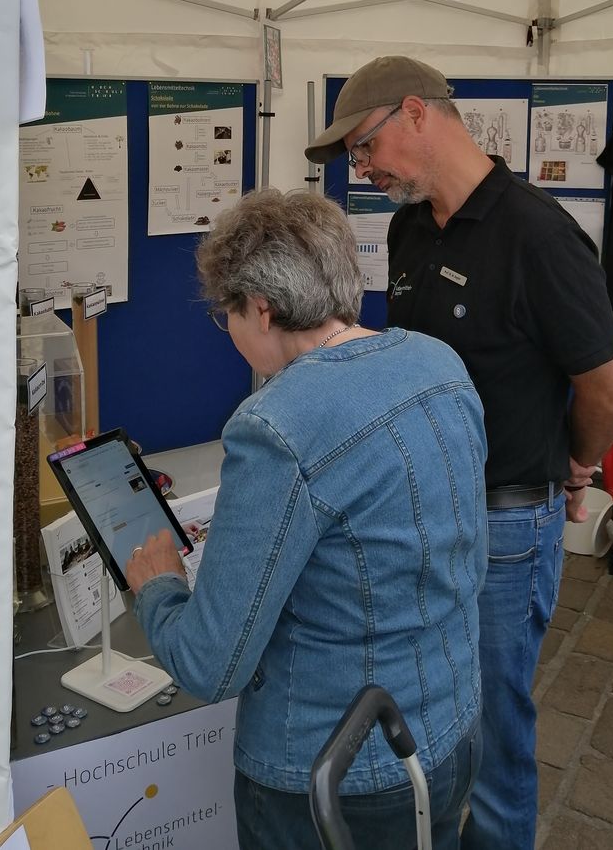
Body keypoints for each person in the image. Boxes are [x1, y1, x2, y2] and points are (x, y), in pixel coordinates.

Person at [305, 56, 613, 850]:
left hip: (507, 526)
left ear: (415, 113)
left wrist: (576, 465)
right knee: (437, 713)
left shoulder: (540, 234)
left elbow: (608, 389)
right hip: (425, 518)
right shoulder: (412, 227)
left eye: (363, 147)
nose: (363, 169)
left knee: (495, 732)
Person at [126, 188, 489, 850]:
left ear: (261, 309)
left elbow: (213, 664)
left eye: (224, 313)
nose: (228, 332)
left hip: (333, 777)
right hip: (449, 729)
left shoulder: (275, 425)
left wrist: (158, 587)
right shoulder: (440, 364)